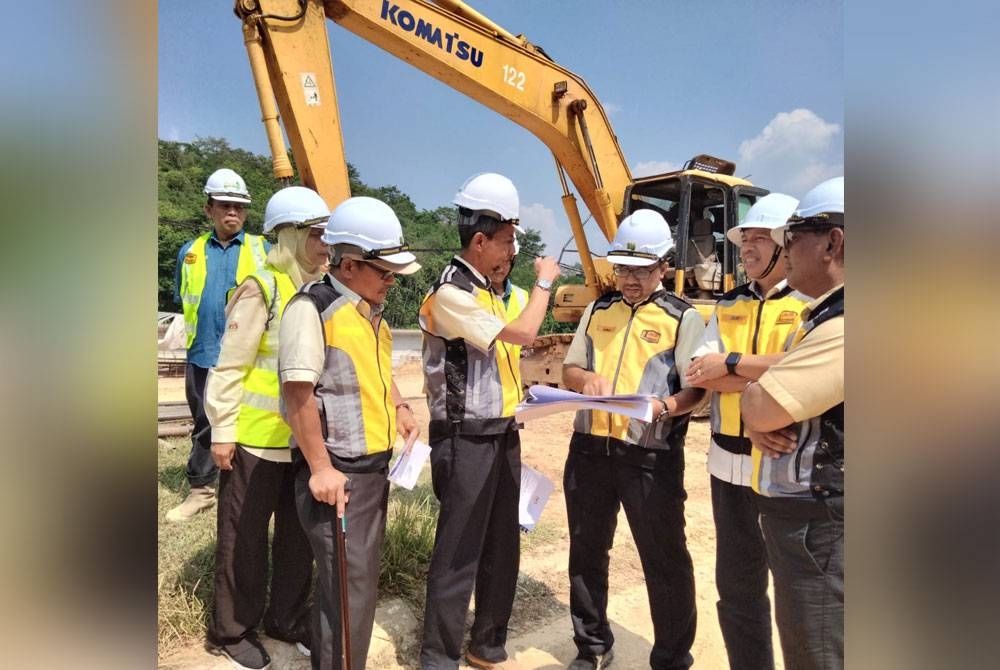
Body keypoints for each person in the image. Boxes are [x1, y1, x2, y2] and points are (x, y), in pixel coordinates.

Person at [418, 172, 561, 670]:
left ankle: (487, 643)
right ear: (479, 241)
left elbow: (531, 335)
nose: (511, 253)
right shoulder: (452, 295)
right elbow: (522, 333)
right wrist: (545, 281)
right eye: (506, 242)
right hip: (464, 438)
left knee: (503, 544)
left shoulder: (497, 292)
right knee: (459, 550)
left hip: (503, 433)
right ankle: (438, 655)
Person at [279, 196, 421, 670]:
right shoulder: (314, 309)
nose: (391, 280)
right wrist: (320, 468)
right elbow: (297, 394)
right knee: (350, 590)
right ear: (351, 263)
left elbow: (373, 374)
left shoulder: (369, 312)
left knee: (350, 585)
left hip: (371, 472)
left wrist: (398, 405)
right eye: (384, 271)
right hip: (338, 478)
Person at [561, 209, 706, 670]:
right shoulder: (597, 310)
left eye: (641, 271)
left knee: (664, 558)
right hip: (590, 450)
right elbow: (570, 368)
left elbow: (696, 389)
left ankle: (671, 656)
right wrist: (584, 381)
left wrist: (665, 407)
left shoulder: (683, 318)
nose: (629, 279)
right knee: (586, 552)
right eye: (622, 268)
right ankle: (593, 646)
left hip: (651, 454)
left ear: (663, 267)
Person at [201, 186, 330, 670]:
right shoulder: (263, 287)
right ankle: (232, 631)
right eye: (317, 235)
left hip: (299, 445)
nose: (326, 245)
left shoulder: (318, 292)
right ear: (292, 235)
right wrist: (222, 431)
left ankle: (286, 619)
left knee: (298, 542)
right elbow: (229, 366)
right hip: (254, 443)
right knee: (244, 542)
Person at [685, 193, 809, 670]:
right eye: (745, 239)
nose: (748, 248)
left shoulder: (811, 306)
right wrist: (764, 375)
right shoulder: (729, 305)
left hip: (784, 465)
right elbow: (700, 374)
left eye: (760, 238)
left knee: (799, 592)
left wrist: (733, 365)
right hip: (726, 468)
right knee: (737, 588)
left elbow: (806, 370)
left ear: (787, 245)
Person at [741, 177, 845, 670]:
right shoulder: (823, 316)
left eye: (794, 236)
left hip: (821, 525)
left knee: (816, 650)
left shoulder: (846, 323)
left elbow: (763, 406)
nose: (785, 251)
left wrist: (753, 402)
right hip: (818, 519)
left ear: (834, 242)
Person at [168, 168, 269, 522]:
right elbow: (185, 295)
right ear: (208, 208)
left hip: (247, 357)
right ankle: (201, 491)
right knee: (204, 423)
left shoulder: (262, 249)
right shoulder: (190, 252)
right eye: (225, 205)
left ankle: (242, 489)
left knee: (246, 423)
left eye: (239, 207)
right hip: (203, 352)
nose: (233, 212)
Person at [488, 232, 531, 363]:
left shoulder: (522, 296)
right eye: (497, 261)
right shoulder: (472, 294)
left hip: (513, 381)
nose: (501, 267)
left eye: (507, 261)